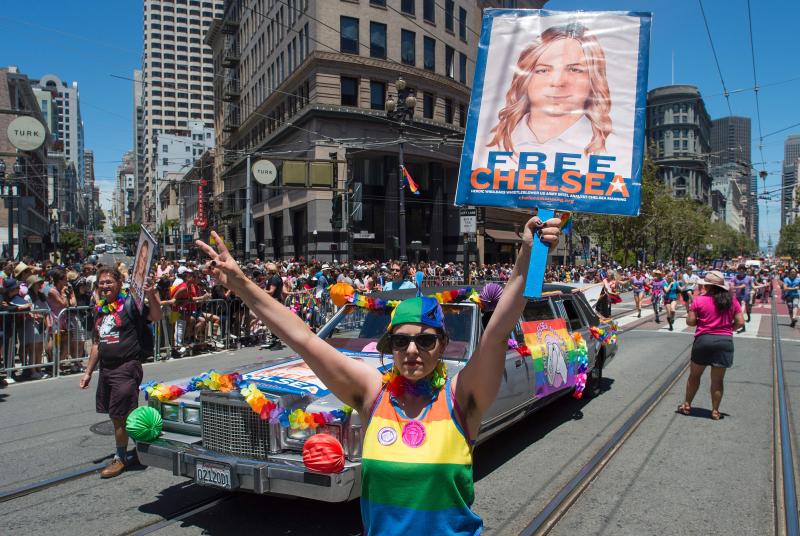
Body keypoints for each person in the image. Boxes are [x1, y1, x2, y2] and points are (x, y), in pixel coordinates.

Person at [195, 215, 561, 534]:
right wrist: (241, 283)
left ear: (443, 344)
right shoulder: (373, 394)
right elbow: (303, 338)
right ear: (390, 346)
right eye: (401, 342)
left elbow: (496, 333)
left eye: (426, 340)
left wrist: (528, 254)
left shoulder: (461, 396)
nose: (413, 350)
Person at [486, 22, 613, 163]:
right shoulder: (491, 142)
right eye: (543, 70)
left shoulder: (613, 147)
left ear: (593, 79)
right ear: (525, 78)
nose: (558, 82)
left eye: (574, 69)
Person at [79, 267, 161, 478]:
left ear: (119, 283)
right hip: (106, 369)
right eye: (101, 282)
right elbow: (97, 343)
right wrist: (88, 371)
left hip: (126, 367)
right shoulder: (100, 309)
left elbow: (156, 315)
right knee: (121, 413)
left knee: (118, 415)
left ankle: (120, 457)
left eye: (109, 282)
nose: (105, 286)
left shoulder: (130, 305)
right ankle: (145, 443)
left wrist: (151, 294)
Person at [678, 271, 744, 421]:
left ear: (707, 285)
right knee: (717, 380)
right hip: (724, 342)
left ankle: (687, 405)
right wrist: (727, 330)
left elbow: (690, 322)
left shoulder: (699, 300)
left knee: (694, 376)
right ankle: (715, 411)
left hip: (704, 340)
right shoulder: (732, 301)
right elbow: (740, 322)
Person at [730, 264, 754, 331]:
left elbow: (753, 286)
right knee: (738, 310)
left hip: (746, 295)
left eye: (743, 269)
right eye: (740, 269)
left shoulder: (749, 278)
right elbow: (732, 286)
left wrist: (763, 285)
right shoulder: (734, 278)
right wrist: (736, 287)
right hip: (737, 296)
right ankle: (743, 327)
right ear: (738, 270)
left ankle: (748, 316)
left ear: (745, 270)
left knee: (744, 307)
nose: (741, 270)